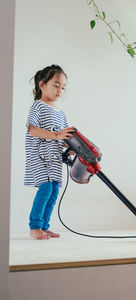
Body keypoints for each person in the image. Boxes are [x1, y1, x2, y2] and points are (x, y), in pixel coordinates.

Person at [24, 64, 75, 240]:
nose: (60, 90)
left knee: (53, 191)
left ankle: (44, 227)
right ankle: (35, 227)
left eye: (63, 87)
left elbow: (62, 138)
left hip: (53, 158)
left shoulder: (61, 114)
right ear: (42, 84)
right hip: (38, 155)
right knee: (45, 188)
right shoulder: (38, 106)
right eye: (56, 85)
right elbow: (32, 130)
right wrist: (56, 134)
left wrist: (69, 149)